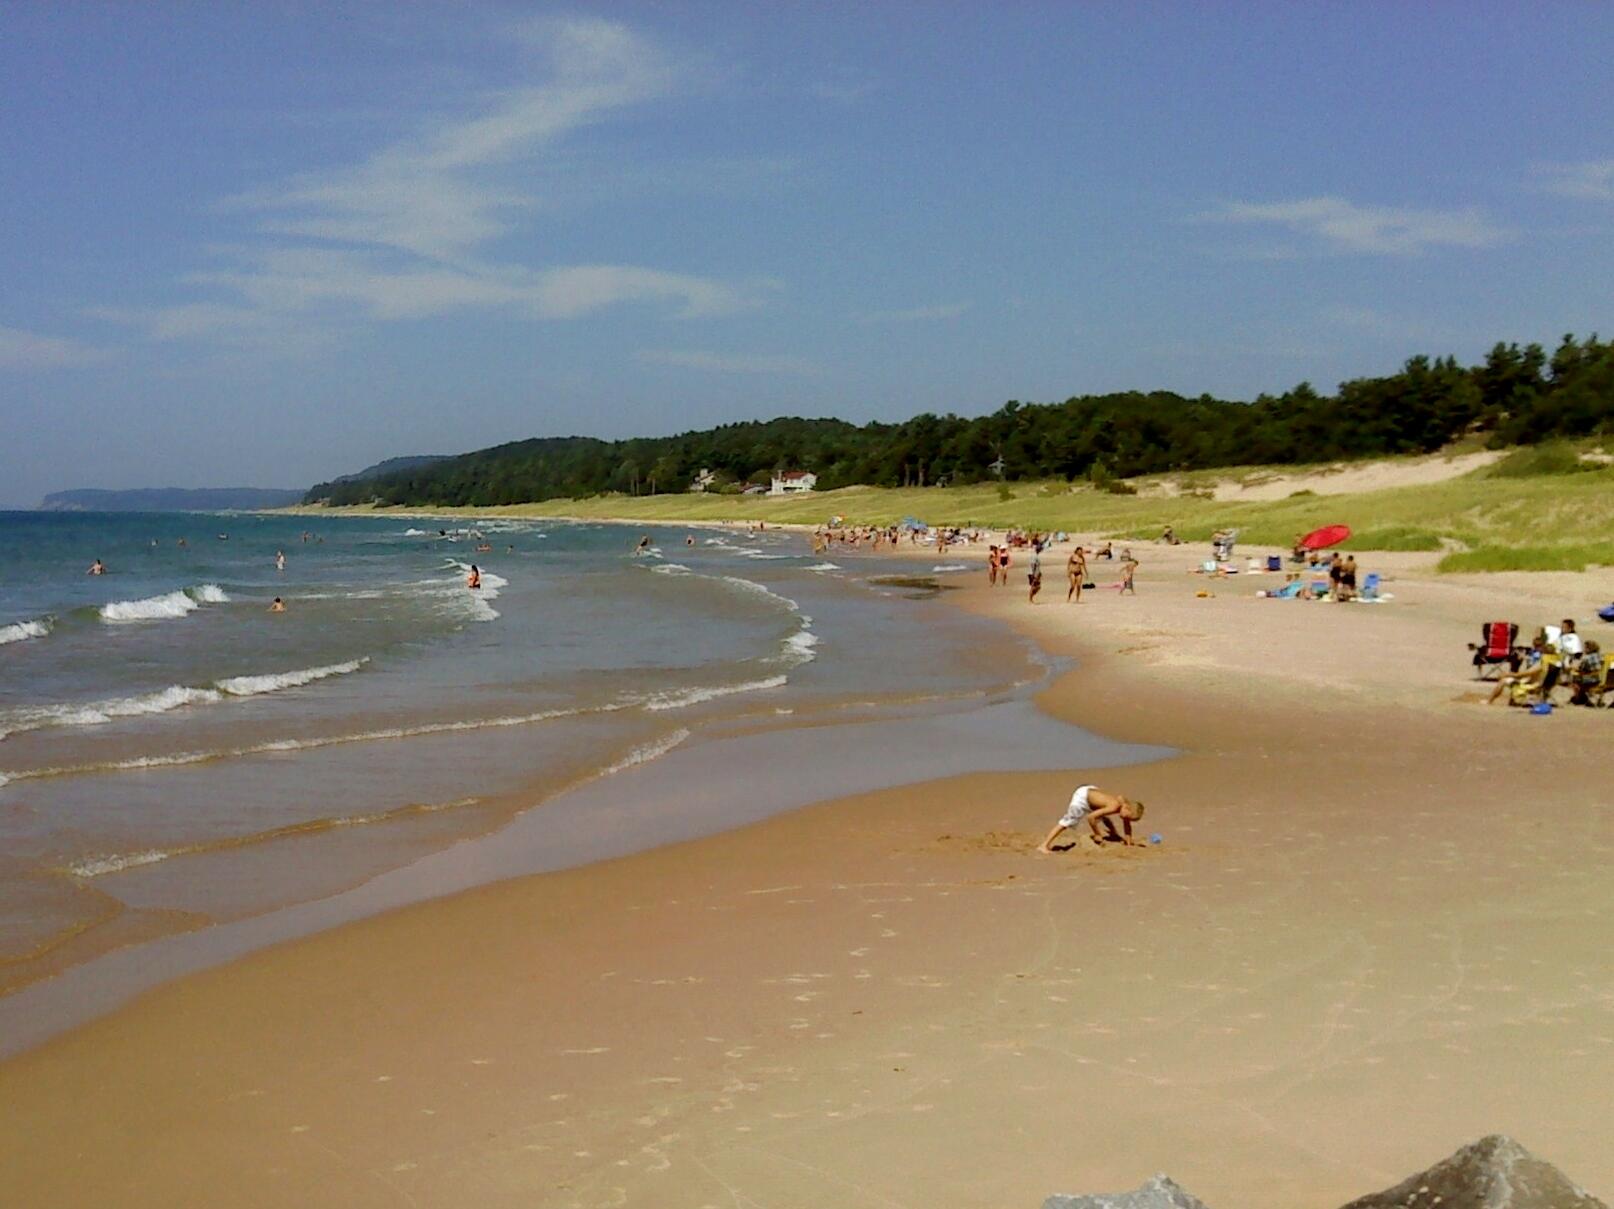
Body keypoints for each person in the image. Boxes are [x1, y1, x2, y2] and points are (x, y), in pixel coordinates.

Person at [1038, 784, 1147, 853]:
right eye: (1127, 817)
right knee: (1067, 822)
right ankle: (1044, 845)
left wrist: (1128, 841)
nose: (1125, 819)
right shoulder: (1114, 806)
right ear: (1127, 808)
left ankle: (1114, 833)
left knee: (1105, 818)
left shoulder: (1123, 803)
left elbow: (1127, 825)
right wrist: (1097, 833)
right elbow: (1090, 818)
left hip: (1090, 790)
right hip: (1082, 798)